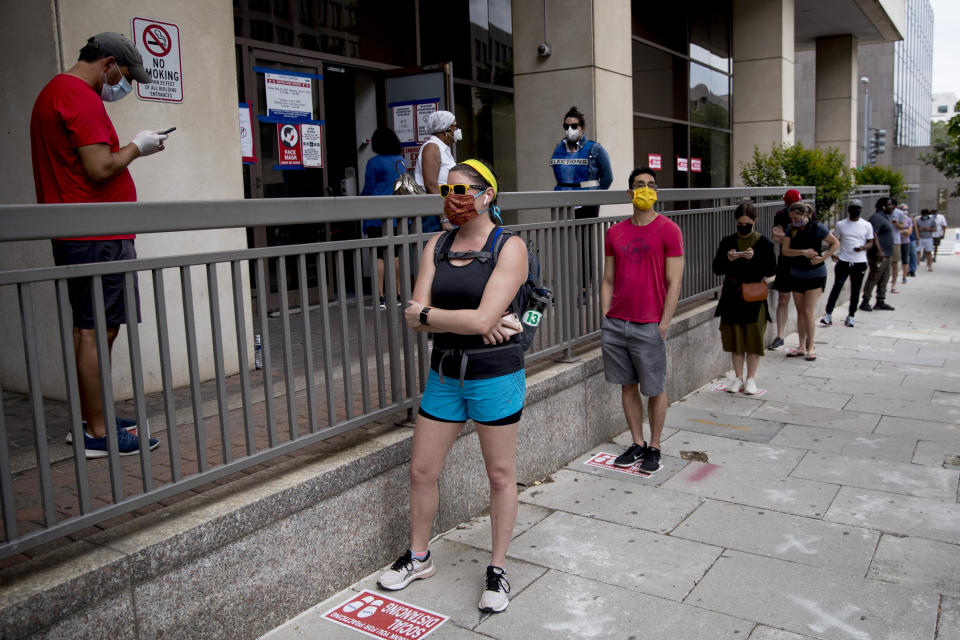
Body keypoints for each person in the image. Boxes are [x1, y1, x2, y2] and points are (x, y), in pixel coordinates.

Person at [378, 159, 527, 613]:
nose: (453, 197)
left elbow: (478, 318)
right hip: (444, 374)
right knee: (422, 470)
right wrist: (463, 321)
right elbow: (412, 313)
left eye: (462, 189)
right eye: (447, 188)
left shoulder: (510, 246)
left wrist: (439, 318)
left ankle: (498, 569)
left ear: (487, 195)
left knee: (499, 475)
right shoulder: (437, 245)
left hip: (494, 375)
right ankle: (419, 556)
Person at [30, 32, 164, 459]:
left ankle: (94, 417)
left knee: (97, 328)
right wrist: (138, 148)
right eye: (125, 75)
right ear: (107, 64)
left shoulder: (56, 92)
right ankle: (97, 433)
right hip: (95, 237)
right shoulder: (79, 96)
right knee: (93, 330)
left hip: (87, 233)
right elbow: (100, 165)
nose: (124, 85)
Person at [604, 167, 684, 472]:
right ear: (629, 193)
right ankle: (637, 443)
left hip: (650, 324)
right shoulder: (615, 232)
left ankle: (655, 446)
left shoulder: (668, 230)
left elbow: (675, 281)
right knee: (627, 386)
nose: (645, 190)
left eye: (651, 185)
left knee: (655, 389)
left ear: (657, 192)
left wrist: (663, 323)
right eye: (639, 185)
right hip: (616, 323)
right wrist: (605, 317)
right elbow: (608, 278)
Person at [711, 200, 776, 395]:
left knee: (753, 338)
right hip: (732, 295)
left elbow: (771, 269)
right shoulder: (727, 241)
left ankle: (751, 378)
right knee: (735, 339)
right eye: (740, 223)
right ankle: (738, 377)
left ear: (755, 220)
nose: (743, 226)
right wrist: (728, 259)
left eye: (747, 222)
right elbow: (716, 268)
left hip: (754, 297)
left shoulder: (764, 243)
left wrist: (754, 258)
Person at [779, 202, 838, 360]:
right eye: (791, 218)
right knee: (800, 311)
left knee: (808, 311)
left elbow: (835, 242)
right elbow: (785, 251)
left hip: (815, 274)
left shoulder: (817, 227)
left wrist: (823, 258)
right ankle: (801, 346)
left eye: (796, 217)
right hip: (797, 273)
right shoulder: (791, 229)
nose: (793, 220)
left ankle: (810, 347)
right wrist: (803, 252)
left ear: (804, 215)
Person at [361, 128, 405, 309]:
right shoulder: (401, 161)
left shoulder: (373, 163)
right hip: (396, 214)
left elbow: (368, 190)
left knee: (378, 256)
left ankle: (379, 298)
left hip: (377, 215)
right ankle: (398, 295)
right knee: (395, 256)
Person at [549, 106, 613, 219]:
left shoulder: (595, 148)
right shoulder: (558, 148)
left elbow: (607, 178)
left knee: (586, 237)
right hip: (561, 204)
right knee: (562, 237)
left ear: (582, 128)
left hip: (586, 205)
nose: (569, 129)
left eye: (574, 126)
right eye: (566, 126)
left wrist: (595, 197)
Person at [820, 200, 874, 328]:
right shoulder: (841, 224)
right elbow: (834, 240)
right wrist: (832, 252)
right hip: (844, 260)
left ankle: (851, 316)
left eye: (859, 209)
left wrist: (863, 247)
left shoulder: (866, 225)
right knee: (837, 286)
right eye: (854, 208)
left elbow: (871, 242)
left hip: (859, 261)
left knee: (855, 290)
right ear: (849, 210)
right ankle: (828, 314)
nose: (856, 211)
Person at [768, 189, 803, 349]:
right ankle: (780, 335)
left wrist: (786, 237)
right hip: (785, 261)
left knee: (801, 302)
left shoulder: (807, 212)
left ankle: (804, 338)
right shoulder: (780, 214)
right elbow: (776, 238)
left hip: (801, 262)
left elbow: (809, 237)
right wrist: (793, 237)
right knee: (783, 298)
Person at [414, 110, 459, 231]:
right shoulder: (432, 147)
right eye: (454, 126)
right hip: (436, 215)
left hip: (448, 209)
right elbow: (431, 185)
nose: (457, 130)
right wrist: (443, 218)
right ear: (443, 129)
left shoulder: (444, 149)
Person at [860, 197, 897, 312]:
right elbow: (873, 234)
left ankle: (880, 301)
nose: (892, 207)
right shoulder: (876, 218)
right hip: (878, 255)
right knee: (874, 277)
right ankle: (865, 301)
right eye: (890, 205)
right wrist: (879, 250)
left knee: (884, 278)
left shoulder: (885, 217)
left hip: (887, 254)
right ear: (883, 206)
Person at [888, 200, 906, 293]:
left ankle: (893, 285)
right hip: (885, 241)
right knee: (885, 264)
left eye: (891, 204)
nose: (889, 206)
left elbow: (903, 226)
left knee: (894, 263)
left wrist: (896, 224)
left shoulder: (899, 213)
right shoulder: (882, 213)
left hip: (895, 240)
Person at [899, 206, 917, 280]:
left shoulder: (909, 219)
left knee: (907, 257)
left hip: (906, 241)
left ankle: (905, 275)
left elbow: (910, 231)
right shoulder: (896, 219)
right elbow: (895, 231)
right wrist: (904, 231)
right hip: (898, 241)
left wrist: (903, 232)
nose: (905, 211)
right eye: (903, 209)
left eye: (906, 209)